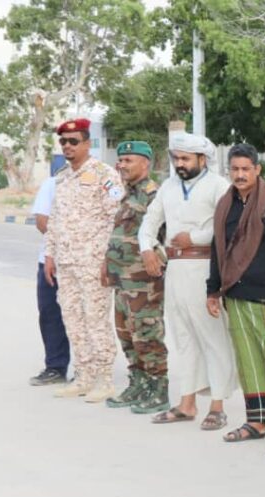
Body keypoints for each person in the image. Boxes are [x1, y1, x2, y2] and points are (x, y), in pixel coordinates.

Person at [140, 132, 238, 430]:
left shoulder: (219, 186)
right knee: (183, 338)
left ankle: (218, 407)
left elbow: (228, 227)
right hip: (175, 270)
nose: (179, 163)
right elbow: (150, 221)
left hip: (205, 268)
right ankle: (187, 403)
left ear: (202, 159)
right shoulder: (169, 186)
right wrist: (146, 249)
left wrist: (193, 237)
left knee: (213, 338)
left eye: (185, 158)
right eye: (176, 158)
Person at [207, 143, 265, 451]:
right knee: (249, 361)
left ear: (258, 169)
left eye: (246, 169)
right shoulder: (225, 205)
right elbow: (218, 249)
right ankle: (256, 422)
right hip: (236, 295)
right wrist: (212, 289)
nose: (240, 174)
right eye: (235, 169)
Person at [46, 118, 123, 402]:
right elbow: (55, 220)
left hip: (93, 263)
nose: (67, 146)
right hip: (66, 262)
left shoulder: (105, 174)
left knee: (96, 320)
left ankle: (104, 379)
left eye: (73, 141)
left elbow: (115, 218)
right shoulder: (62, 177)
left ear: (87, 143)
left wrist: (107, 259)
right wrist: (50, 254)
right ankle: (83, 376)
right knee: (73, 320)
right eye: (63, 141)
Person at [103, 141, 168, 414]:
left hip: (144, 282)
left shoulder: (154, 195)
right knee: (127, 335)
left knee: (147, 334)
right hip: (122, 281)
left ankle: (158, 389)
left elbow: (165, 236)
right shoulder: (126, 194)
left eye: (129, 160)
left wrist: (157, 260)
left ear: (145, 163)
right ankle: (138, 383)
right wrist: (107, 265)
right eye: (121, 160)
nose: (122, 165)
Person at [29, 175, 70, 386]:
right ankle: (56, 367)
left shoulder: (98, 180)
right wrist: (66, 241)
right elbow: (41, 221)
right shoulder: (53, 183)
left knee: (87, 316)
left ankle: (89, 370)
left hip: (84, 262)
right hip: (49, 261)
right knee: (50, 314)